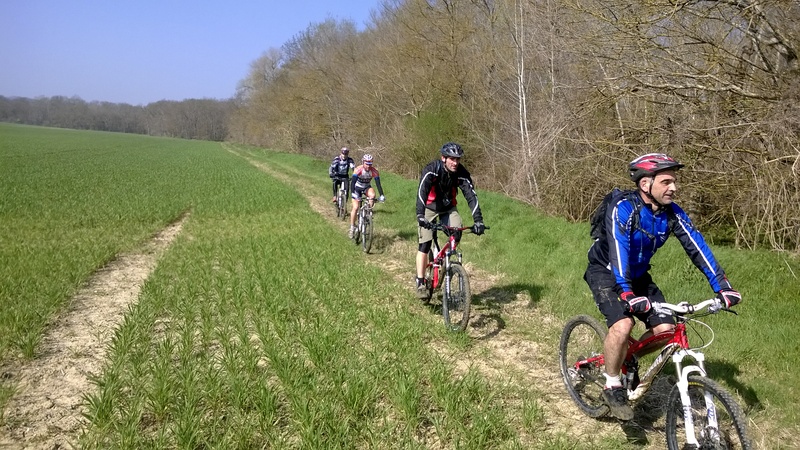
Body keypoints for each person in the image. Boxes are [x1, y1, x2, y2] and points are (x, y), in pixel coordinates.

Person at [584, 153, 742, 421]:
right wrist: (626, 292)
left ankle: (628, 356)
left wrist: (722, 286)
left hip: (638, 275)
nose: (674, 188)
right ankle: (612, 384)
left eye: (674, 182)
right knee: (623, 325)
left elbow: (697, 247)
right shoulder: (624, 208)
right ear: (645, 184)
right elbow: (619, 250)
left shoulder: (672, 213)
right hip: (607, 272)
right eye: (666, 182)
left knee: (667, 330)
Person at [415, 142, 485, 299]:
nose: (455, 162)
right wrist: (420, 215)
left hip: (448, 208)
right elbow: (421, 192)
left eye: (458, 159)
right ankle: (420, 282)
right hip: (429, 207)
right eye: (452, 159)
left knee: (457, 232)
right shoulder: (432, 169)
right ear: (443, 158)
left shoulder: (461, 173)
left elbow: (471, 196)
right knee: (424, 244)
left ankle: (444, 261)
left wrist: (478, 220)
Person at [349, 154, 385, 238]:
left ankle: (368, 213)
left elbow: (378, 184)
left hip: (366, 187)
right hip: (357, 188)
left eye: (370, 164)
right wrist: (353, 193)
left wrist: (382, 195)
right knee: (355, 207)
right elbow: (353, 183)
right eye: (366, 164)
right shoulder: (358, 170)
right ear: (363, 162)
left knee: (372, 195)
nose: (368, 166)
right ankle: (352, 227)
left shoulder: (374, 171)